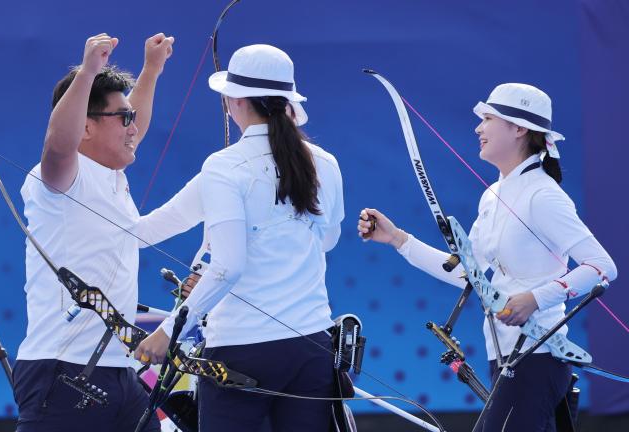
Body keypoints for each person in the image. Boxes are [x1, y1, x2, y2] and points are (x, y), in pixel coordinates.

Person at [357, 83, 617, 431]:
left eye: (488, 118)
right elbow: (468, 275)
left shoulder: (543, 195)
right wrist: (397, 239)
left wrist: (535, 299)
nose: (478, 128)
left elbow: (602, 266)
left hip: (537, 357)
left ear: (520, 128)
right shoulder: (493, 195)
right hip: (506, 356)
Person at [135, 44, 345, 432]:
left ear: (236, 101)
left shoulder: (224, 167)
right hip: (310, 345)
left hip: (239, 351)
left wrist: (169, 331)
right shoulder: (324, 163)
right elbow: (327, 240)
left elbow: (228, 266)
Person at [13, 33, 174, 432]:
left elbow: (132, 123)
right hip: (62, 369)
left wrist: (151, 70)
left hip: (119, 371)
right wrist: (87, 73)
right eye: (123, 118)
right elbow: (58, 143)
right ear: (85, 128)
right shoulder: (60, 176)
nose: (133, 125)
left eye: (131, 117)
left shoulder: (112, 176)